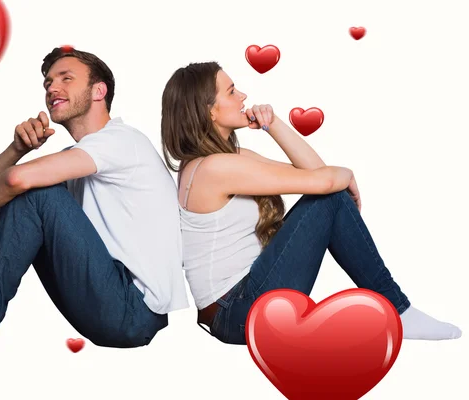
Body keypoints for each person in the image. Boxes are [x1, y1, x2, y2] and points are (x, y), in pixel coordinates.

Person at [0, 47, 189, 353]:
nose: (52, 87)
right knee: (21, 191)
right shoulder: (84, 156)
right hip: (111, 303)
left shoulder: (122, 141)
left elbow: (14, 181)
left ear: (98, 91)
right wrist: (18, 149)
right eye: (48, 83)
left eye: (66, 78)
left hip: (132, 310)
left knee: (35, 191)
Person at [160, 61, 462, 344]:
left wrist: (273, 124)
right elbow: (326, 181)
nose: (244, 96)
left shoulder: (222, 162)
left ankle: (396, 309)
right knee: (330, 198)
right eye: (231, 91)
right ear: (209, 110)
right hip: (237, 311)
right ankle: (397, 309)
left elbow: (317, 172)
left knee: (330, 195)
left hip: (235, 307)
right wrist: (348, 174)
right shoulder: (215, 169)